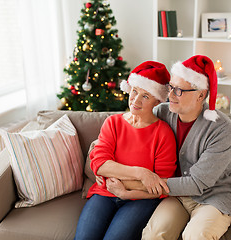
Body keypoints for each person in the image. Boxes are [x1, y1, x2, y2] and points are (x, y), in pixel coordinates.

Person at [123, 55, 231, 240]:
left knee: (196, 236)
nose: (170, 95)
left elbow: (196, 183)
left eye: (178, 90)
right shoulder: (163, 112)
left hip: (213, 197)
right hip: (176, 197)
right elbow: (126, 130)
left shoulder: (221, 128)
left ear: (201, 95)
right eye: (170, 87)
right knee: (154, 234)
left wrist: (132, 184)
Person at [73, 61, 177, 240]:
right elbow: (99, 164)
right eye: (134, 91)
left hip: (140, 200)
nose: (135, 100)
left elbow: (160, 186)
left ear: (157, 100)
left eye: (145, 96)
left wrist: (124, 189)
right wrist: (141, 173)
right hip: (105, 193)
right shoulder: (113, 123)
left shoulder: (163, 133)